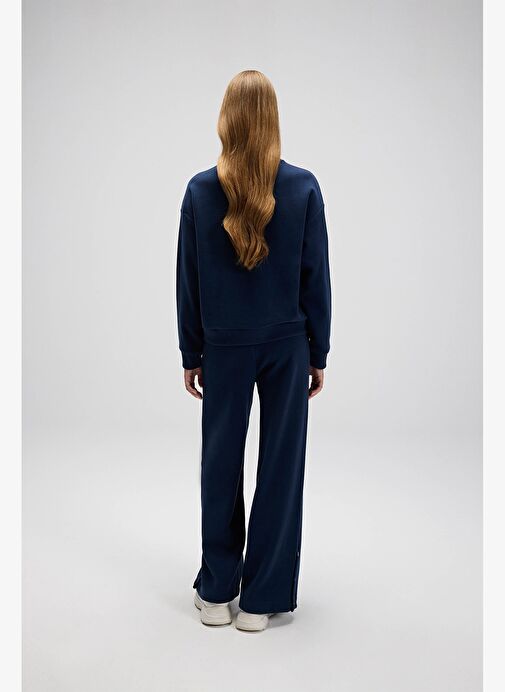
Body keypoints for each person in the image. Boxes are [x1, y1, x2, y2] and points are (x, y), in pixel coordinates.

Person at [176, 70, 331, 632]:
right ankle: (261, 601)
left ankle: (218, 593)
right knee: (281, 466)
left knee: (220, 463)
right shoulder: (303, 187)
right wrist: (319, 351)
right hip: (288, 344)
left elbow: (188, 280)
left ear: (226, 119)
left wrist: (191, 351)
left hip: (224, 345)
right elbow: (316, 276)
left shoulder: (199, 191)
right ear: (273, 120)